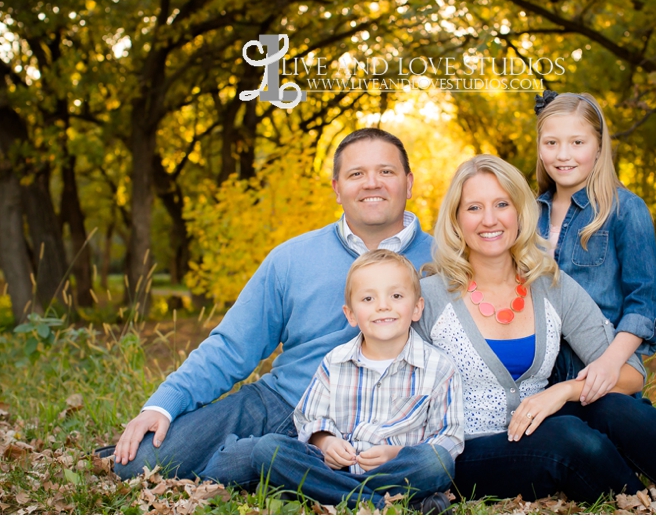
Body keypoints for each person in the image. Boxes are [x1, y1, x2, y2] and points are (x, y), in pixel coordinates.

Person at [416, 155, 656, 514]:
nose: (489, 219)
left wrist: (564, 390)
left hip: (544, 432)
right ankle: (643, 504)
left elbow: (630, 374)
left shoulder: (551, 286)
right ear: (457, 220)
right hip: (468, 453)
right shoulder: (428, 296)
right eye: (474, 207)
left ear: (520, 212)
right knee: (568, 437)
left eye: (502, 204)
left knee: (615, 406)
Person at [108, 129, 434, 482]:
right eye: (356, 174)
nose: (372, 183)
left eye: (386, 171)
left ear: (408, 182)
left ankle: (261, 461)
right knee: (135, 465)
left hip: (387, 419)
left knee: (245, 462)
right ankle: (271, 459)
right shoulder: (292, 258)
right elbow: (232, 346)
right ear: (337, 188)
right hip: (282, 401)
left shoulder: (444, 262)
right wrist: (163, 404)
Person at [197, 250, 464, 513]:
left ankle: (326, 493)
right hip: (333, 467)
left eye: (396, 296)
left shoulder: (439, 368)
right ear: (350, 314)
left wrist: (397, 454)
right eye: (368, 298)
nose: (383, 305)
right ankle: (381, 503)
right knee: (268, 449)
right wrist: (326, 442)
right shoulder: (335, 361)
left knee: (436, 462)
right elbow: (309, 417)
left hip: (396, 469)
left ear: (417, 307)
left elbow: (449, 437)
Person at [534, 89, 656, 398]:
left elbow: (644, 302)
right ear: (540, 149)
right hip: (536, 376)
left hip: (599, 369)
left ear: (598, 146)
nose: (563, 155)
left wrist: (609, 363)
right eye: (551, 143)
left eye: (577, 142)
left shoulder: (625, 210)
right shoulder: (527, 213)